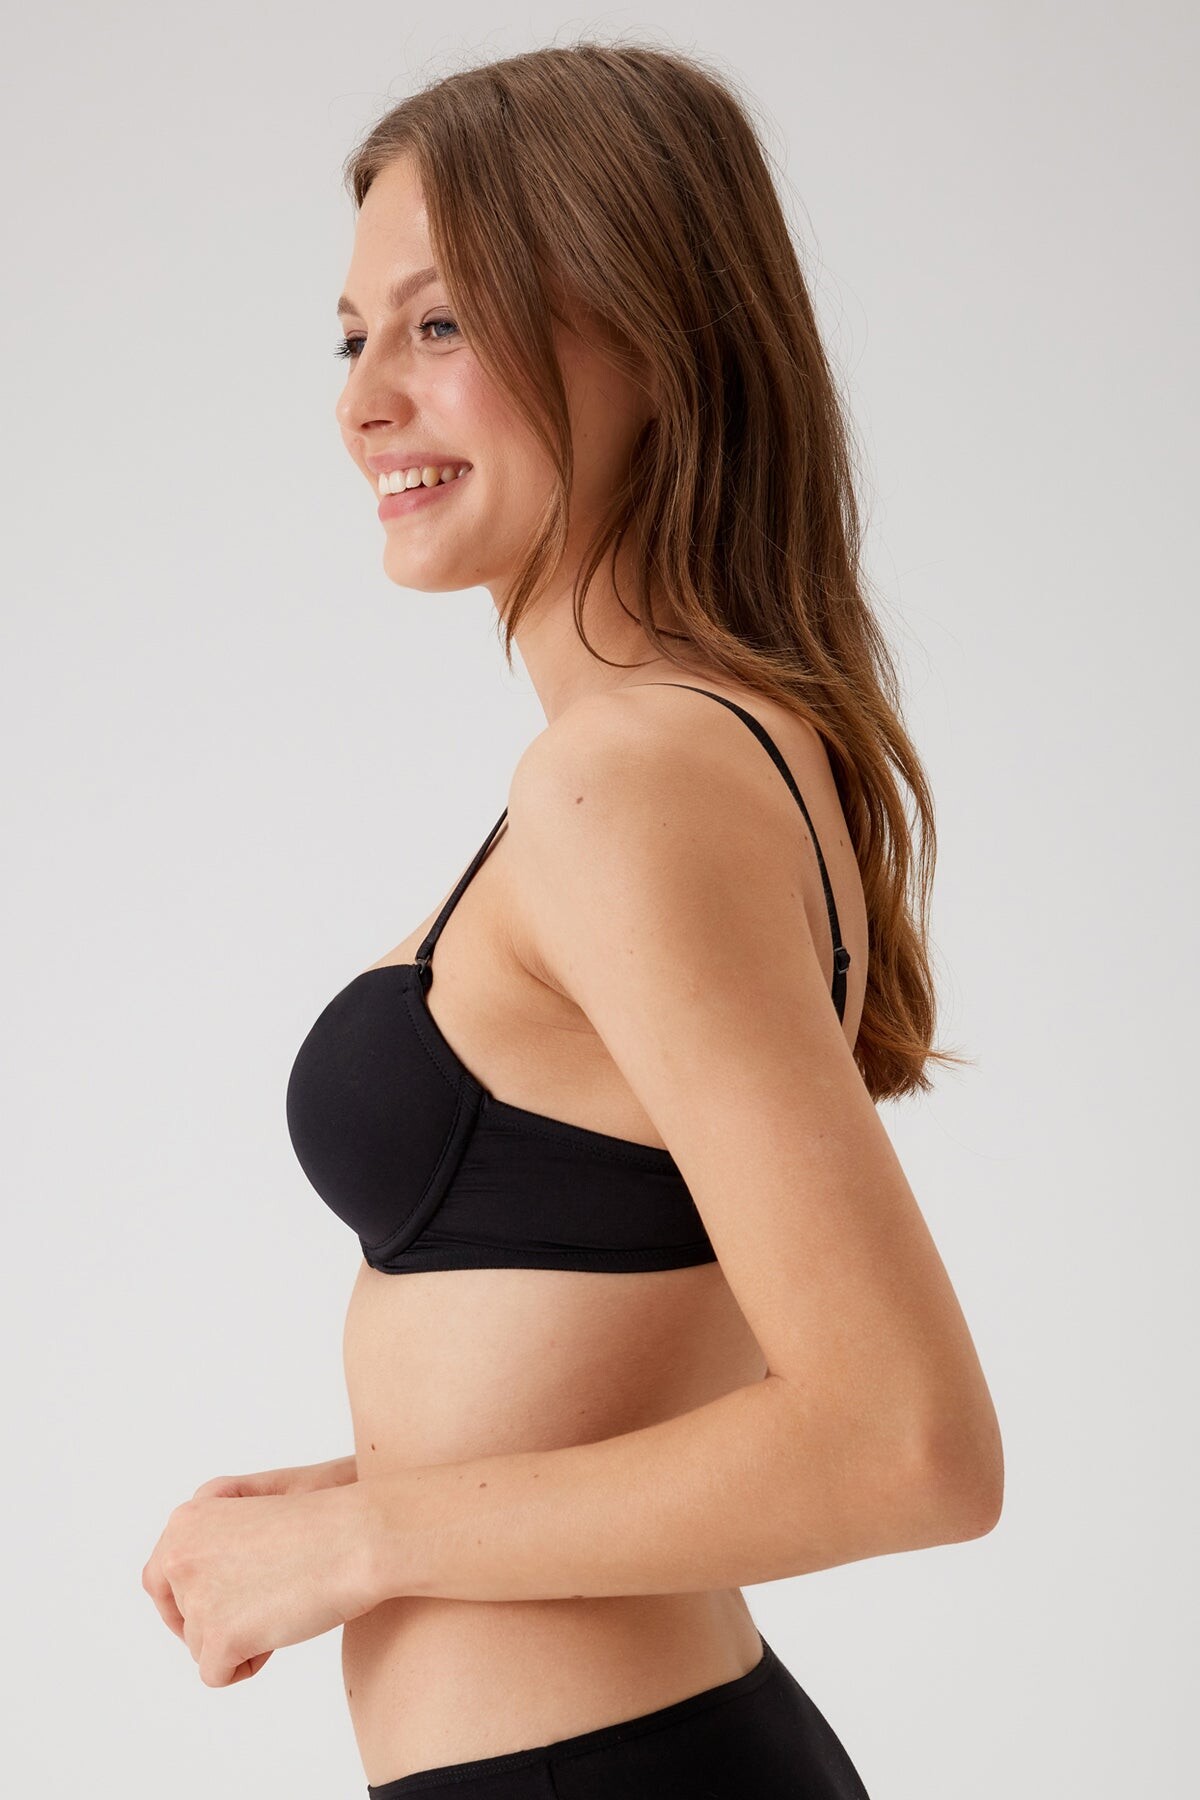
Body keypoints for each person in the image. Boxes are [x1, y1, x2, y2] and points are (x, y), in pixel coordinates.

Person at [142, 39, 1003, 1799]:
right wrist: (360, 1497)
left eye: (441, 323)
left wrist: (360, 1544)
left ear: (651, 337)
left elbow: (908, 1444)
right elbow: (630, 1362)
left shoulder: (629, 780)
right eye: (352, 336)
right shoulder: (707, 750)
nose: (365, 400)